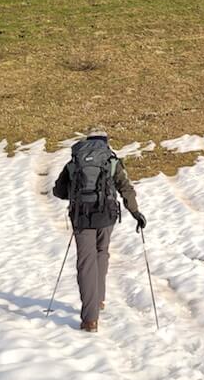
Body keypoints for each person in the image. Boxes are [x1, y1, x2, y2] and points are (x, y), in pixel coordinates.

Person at [53, 127, 146, 333]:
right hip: (107, 216)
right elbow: (125, 188)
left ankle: (90, 319)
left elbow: (59, 191)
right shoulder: (111, 161)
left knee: (86, 263)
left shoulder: (74, 161)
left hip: (82, 217)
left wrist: (77, 195)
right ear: (105, 141)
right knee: (101, 252)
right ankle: (100, 299)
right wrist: (136, 213)